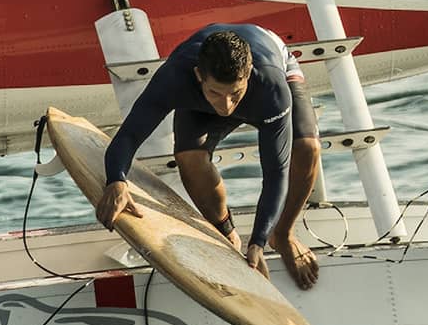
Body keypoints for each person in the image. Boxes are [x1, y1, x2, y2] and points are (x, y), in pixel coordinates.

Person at [95, 23, 321, 288]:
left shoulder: (270, 86)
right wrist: (116, 180)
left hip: (273, 63)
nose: (226, 105)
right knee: (189, 159)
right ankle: (227, 235)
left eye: (234, 94)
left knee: (306, 147)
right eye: (217, 93)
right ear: (199, 75)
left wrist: (259, 240)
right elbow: (129, 135)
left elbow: (276, 172)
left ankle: (282, 235)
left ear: (248, 74)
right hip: (199, 94)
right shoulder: (175, 76)